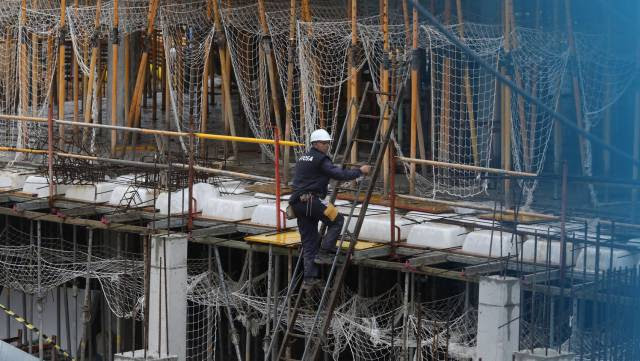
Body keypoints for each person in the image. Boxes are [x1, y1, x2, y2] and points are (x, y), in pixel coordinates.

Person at [289, 129, 371, 287]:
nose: (327, 146)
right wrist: (359, 171)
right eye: (324, 143)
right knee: (338, 220)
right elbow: (338, 174)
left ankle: (309, 278)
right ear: (315, 144)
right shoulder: (320, 159)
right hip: (311, 201)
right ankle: (325, 251)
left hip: (298, 204)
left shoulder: (303, 158)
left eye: (328, 143)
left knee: (309, 242)